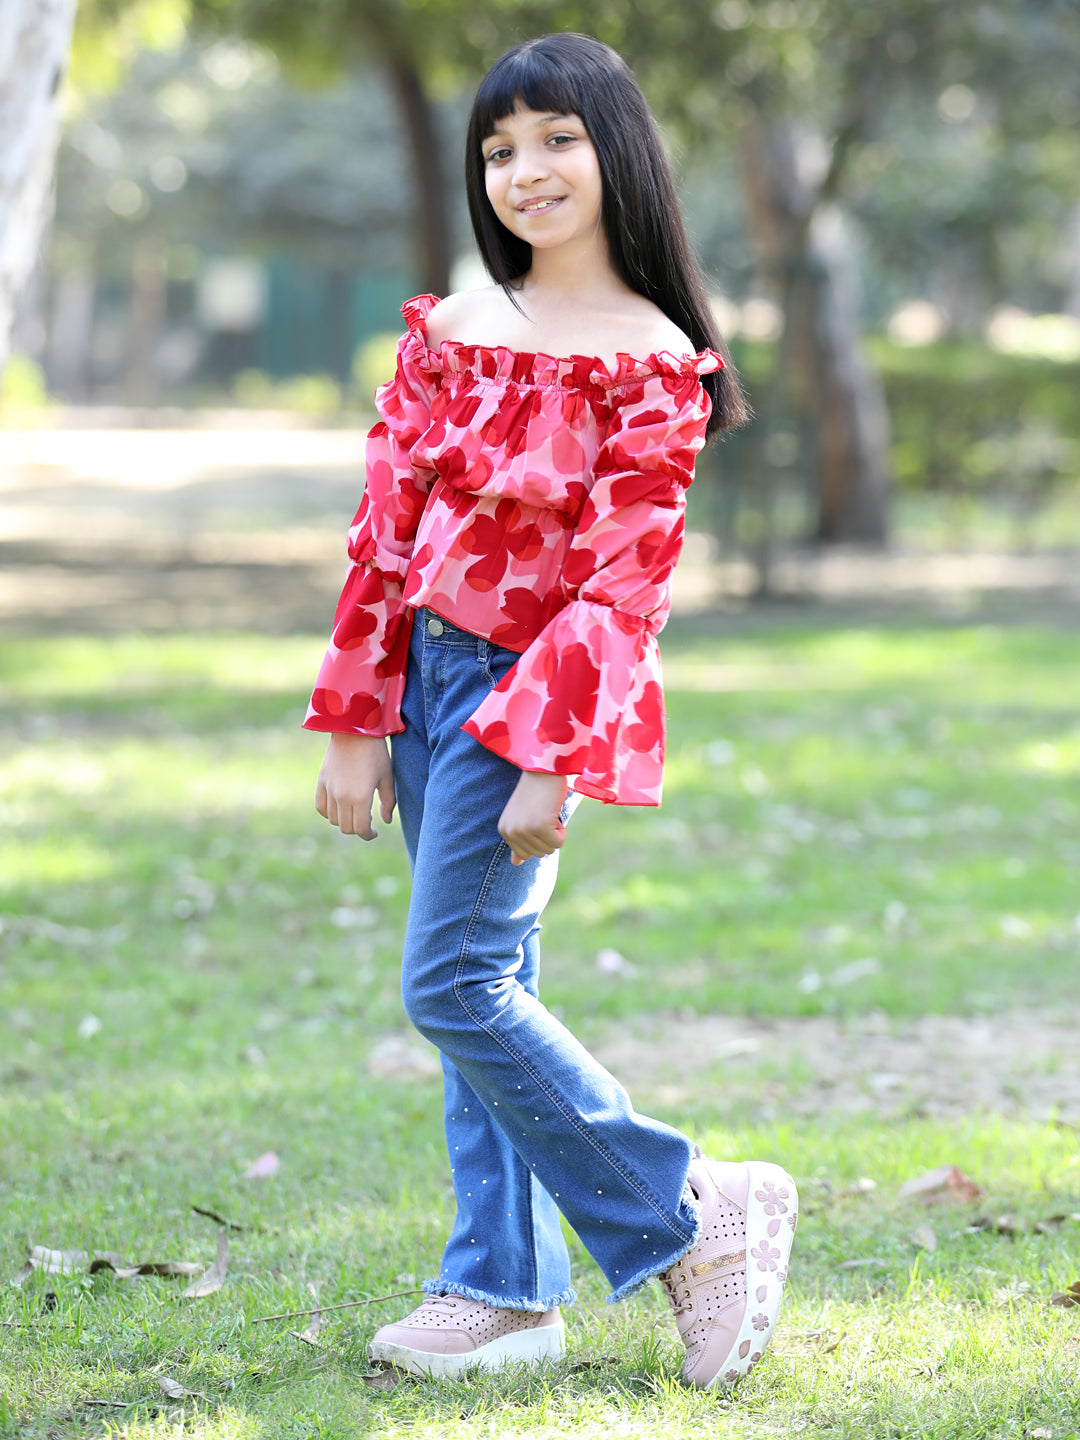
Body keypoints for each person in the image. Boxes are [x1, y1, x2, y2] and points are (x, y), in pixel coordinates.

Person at [305, 32, 797, 1390]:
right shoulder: (453, 330)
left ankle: (694, 1213)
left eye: (557, 139)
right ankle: (504, 1291)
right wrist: (358, 716)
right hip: (421, 685)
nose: (526, 170)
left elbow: (619, 588)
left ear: (619, 150)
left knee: (452, 983)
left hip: (530, 699)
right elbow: (383, 537)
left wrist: (551, 758)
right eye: (500, 148)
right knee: (489, 990)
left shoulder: (654, 361)